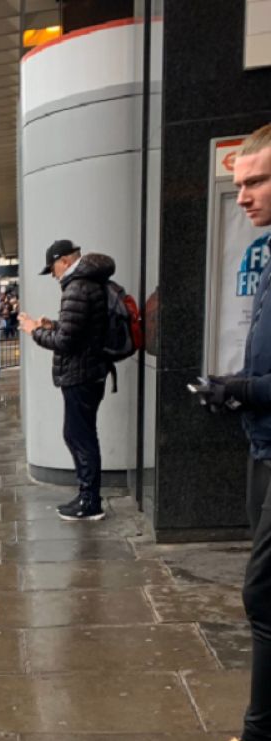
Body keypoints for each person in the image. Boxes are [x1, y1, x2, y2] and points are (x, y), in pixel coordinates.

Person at [195, 123, 271, 741]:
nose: (243, 196)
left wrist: (243, 389)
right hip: (262, 442)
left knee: (262, 595)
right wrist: (236, 386)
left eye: (257, 181)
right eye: (239, 184)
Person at [19, 239, 114, 521]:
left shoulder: (77, 287)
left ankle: (90, 502)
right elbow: (79, 330)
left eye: (52, 268)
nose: (53, 275)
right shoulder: (91, 282)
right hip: (90, 371)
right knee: (79, 435)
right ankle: (87, 497)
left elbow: (66, 342)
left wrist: (34, 331)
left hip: (80, 374)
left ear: (64, 261)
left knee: (80, 438)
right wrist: (54, 325)